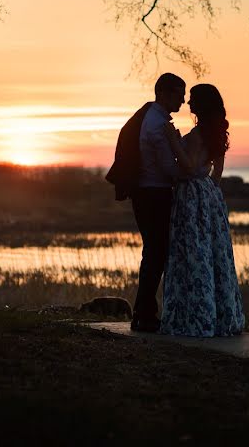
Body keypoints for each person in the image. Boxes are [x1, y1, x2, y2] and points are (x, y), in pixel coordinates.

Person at [159, 84, 245, 337]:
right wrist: (209, 195)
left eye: (193, 100)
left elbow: (188, 166)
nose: (189, 104)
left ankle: (195, 319)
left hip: (192, 196)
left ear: (203, 104)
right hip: (208, 196)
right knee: (212, 256)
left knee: (192, 255)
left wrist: (173, 142)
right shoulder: (215, 134)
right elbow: (216, 174)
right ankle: (220, 315)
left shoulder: (198, 135)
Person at [106, 73, 186, 332]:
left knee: (154, 253)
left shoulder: (151, 118)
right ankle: (144, 315)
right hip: (155, 194)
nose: (183, 100)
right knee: (156, 253)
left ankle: (144, 313)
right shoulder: (155, 125)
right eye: (179, 93)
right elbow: (168, 168)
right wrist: (191, 176)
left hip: (147, 193)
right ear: (163, 93)